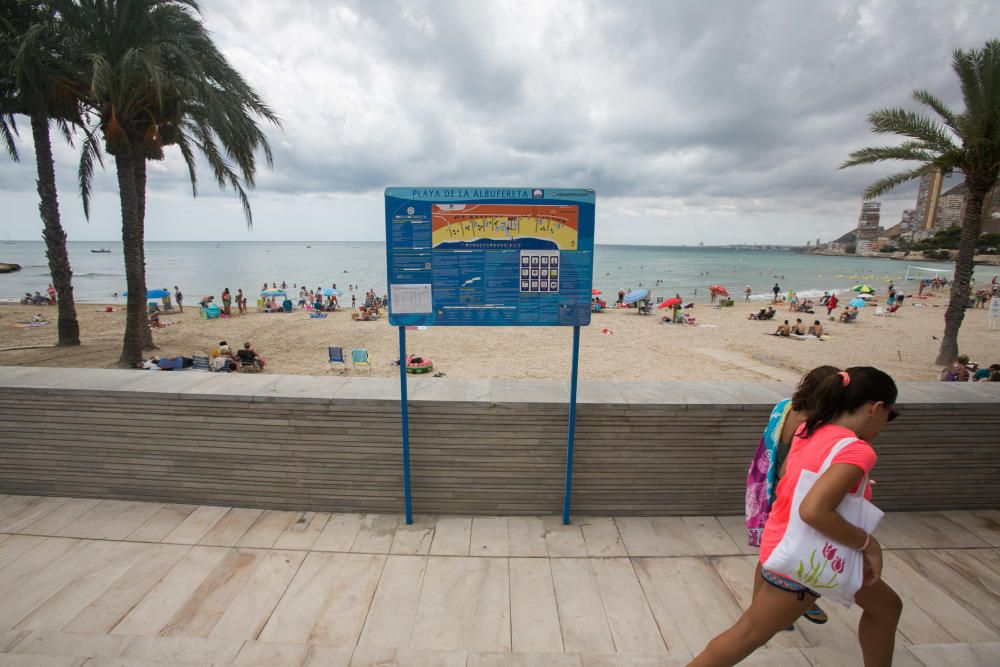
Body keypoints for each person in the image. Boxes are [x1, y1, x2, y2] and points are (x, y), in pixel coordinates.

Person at [692, 367, 903, 666]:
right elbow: (813, 510)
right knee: (746, 635)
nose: (885, 423)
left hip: (787, 543)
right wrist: (868, 543)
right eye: (890, 415)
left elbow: (796, 483)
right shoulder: (857, 450)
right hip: (807, 559)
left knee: (887, 607)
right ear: (876, 407)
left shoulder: (809, 430)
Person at [746, 366, 839, 628]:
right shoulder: (814, 426)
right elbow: (794, 469)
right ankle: (783, 607)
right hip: (791, 496)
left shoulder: (785, 407)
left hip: (770, 487)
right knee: (791, 555)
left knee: (773, 554)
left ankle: (769, 606)